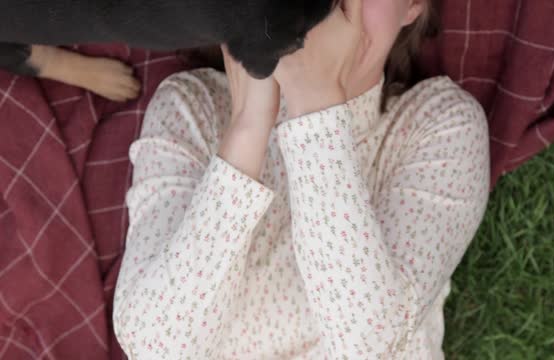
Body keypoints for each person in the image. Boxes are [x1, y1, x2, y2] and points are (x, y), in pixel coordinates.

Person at [112, 0, 490, 358]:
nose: (335, 16)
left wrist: (316, 100)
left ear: (413, 5)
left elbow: (365, 346)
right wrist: (248, 128)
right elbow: (154, 346)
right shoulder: (196, 106)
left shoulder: (437, 126)